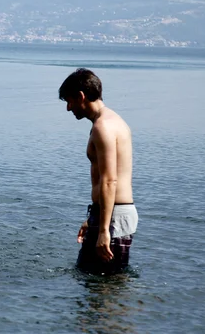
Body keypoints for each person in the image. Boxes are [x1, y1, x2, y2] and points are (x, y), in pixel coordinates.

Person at [59, 68, 138, 275]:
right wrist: (93, 217)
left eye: (69, 101)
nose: (68, 108)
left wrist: (104, 230)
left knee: (107, 288)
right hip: (109, 214)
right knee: (93, 281)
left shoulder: (103, 127)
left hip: (113, 219)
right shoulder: (110, 121)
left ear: (81, 96)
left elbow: (110, 180)